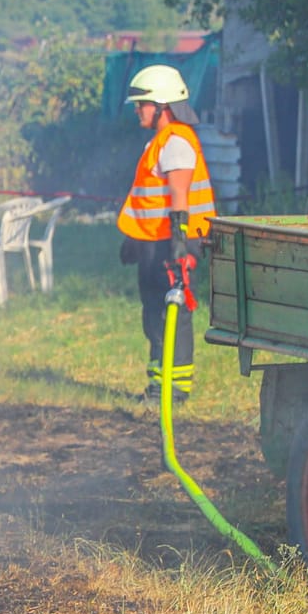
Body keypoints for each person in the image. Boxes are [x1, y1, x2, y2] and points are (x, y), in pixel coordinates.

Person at [117, 64, 216, 403]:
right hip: (154, 243)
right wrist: (134, 238)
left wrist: (180, 244)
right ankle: (159, 385)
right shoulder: (158, 143)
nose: (136, 109)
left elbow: (179, 197)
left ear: (162, 105)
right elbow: (150, 199)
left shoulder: (176, 143)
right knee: (154, 315)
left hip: (173, 243)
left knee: (173, 313)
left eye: (141, 103)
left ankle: (176, 389)